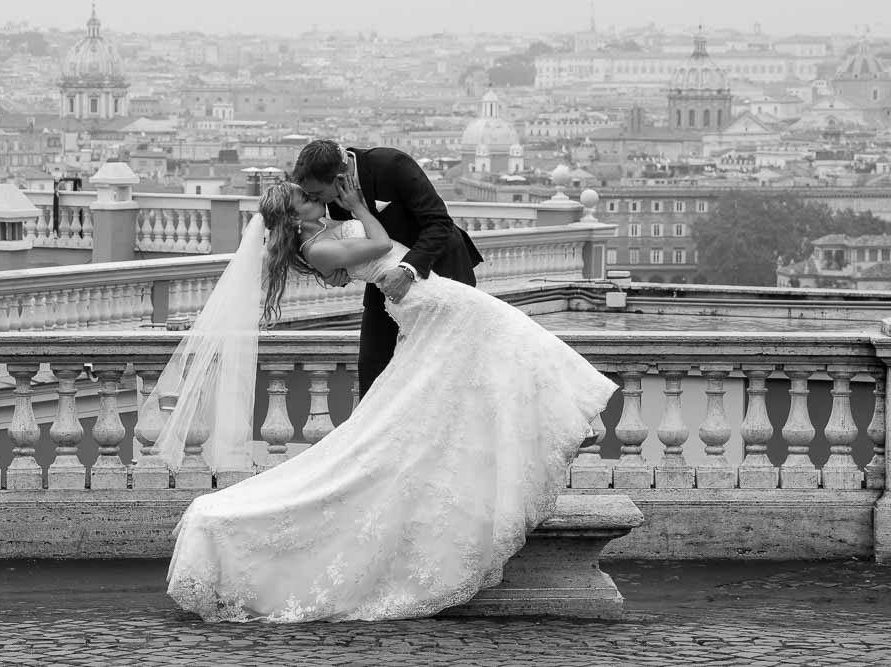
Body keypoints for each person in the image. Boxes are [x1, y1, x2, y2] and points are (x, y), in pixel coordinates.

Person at [163, 179, 619, 623]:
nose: (315, 198)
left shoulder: (321, 233)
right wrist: (360, 207)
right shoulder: (316, 247)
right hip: (426, 297)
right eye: (305, 198)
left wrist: (347, 210)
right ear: (292, 216)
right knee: (510, 342)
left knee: (494, 360)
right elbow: (381, 246)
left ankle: (563, 421)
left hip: (426, 292)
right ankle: (569, 419)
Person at [292, 140, 483, 397]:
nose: (316, 201)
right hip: (384, 285)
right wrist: (334, 272)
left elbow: (439, 223)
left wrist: (407, 270)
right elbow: (349, 243)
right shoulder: (332, 194)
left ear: (340, 178)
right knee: (373, 370)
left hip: (440, 269)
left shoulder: (392, 164)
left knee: (445, 370)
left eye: (317, 194)